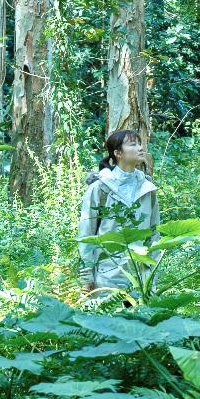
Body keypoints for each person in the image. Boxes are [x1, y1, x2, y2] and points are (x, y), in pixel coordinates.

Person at [78, 129, 161, 301]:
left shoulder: (147, 188)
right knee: (108, 324)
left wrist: (153, 274)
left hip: (140, 275)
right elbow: (86, 235)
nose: (140, 148)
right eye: (133, 144)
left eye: (140, 143)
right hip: (108, 274)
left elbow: (154, 233)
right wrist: (87, 278)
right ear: (117, 153)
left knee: (136, 324)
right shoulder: (99, 188)